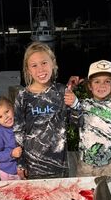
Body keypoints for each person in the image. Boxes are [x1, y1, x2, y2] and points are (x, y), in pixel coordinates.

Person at [13, 41, 82, 180]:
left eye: (44, 63)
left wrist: (75, 104)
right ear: (28, 70)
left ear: (53, 64)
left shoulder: (62, 91)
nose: (40, 69)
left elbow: (77, 123)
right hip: (32, 167)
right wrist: (20, 163)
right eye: (34, 65)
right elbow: (19, 132)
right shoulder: (23, 96)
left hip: (59, 166)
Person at [0, 96, 23, 181]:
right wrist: (11, 154)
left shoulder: (23, 124)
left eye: (7, 111)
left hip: (24, 170)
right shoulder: (0, 132)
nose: (6, 117)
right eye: (0, 117)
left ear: (12, 107)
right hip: (8, 173)